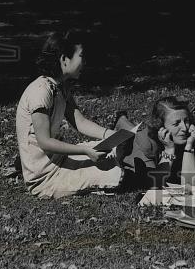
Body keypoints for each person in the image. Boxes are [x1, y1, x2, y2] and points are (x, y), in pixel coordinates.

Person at [15, 30, 125, 199]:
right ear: (64, 59)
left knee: (113, 152)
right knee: (116, 171)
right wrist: (84, 150)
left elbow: (79, 122)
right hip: (46, 177)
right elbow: (44, 142)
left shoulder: (61, 87)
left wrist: (110, 135)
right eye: (81, 56)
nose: (85, 62)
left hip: (61, 160)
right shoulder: (41, 92)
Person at [128, 96, 195, 189]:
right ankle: (120, 120)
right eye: (176, 124)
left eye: (186, 121)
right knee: (126, 135)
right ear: (160, 126)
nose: (184, 128)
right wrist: (169, 150)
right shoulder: (146, 143)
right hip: (127, 148)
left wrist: (188, 147)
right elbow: (153, 184)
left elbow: (192, 185)